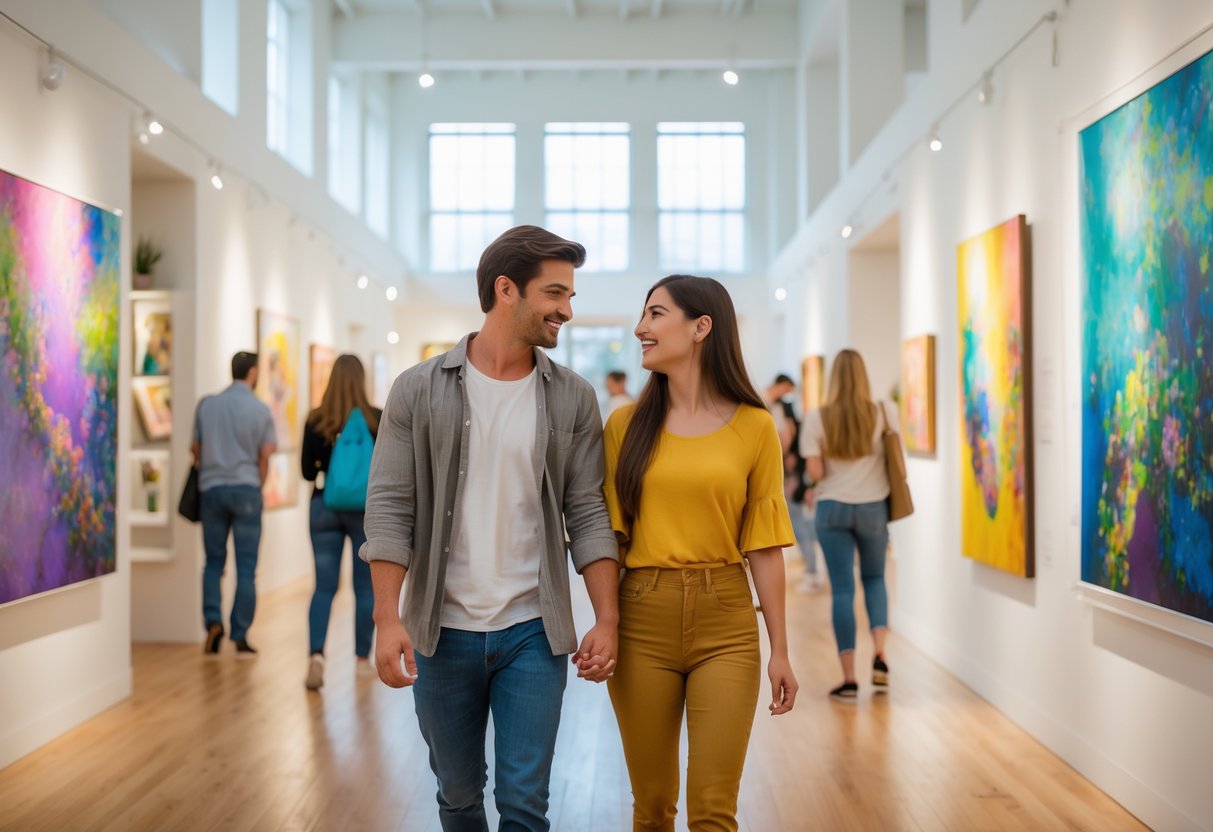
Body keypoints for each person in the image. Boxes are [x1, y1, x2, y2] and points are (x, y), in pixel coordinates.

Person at [361, 225, 620, 831]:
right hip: (440, 630)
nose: (567, 310)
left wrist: (605, 617)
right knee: (456, 794)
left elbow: (586, 511)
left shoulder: (573, 399)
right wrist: (385, 617)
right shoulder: (418, 390)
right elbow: (391, 509)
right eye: (555, 293)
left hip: (533, 630)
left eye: (570, 295)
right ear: (507, 289)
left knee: (526, 803)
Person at [603, 274, 798, 832]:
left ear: (701, 327)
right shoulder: (623, 426)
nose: (641, 328)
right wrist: (607, 622)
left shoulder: (755, 427)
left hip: (728, 623)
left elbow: (763, 545)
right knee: (653, 807)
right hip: (643, 616)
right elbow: (611, 540)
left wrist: (779, 648)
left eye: (656, 314)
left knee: (714, 812)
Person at [800, 348, 897, 701]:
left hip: (833, 508)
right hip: (873, 508)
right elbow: (894, 460)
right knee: (874, 579)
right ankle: (881, 659)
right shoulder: (886, 412)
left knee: (842, 590)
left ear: (833, 380)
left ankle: (849, 679)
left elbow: (815, 472)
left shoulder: (817, 418)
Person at [300, 354, 381, 690]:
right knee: (365, 588)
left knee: (323, 587)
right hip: (364, 511)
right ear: (361, 380)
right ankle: (362, 660)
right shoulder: (376, 419)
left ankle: (316, 655)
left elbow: (306, 471)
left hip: (323, 507)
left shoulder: (317, 419)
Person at [193, 351, 277, 656]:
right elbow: (265, 456)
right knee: (246, 567)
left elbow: (196, 448)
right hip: (246, 489)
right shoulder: (260, 410)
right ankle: (240, 634)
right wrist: (257, 485)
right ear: (252, 373)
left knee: (213, 562)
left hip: (212, 489)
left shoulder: (207, 405)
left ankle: (213, 621)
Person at [763, 373, 821, 592]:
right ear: (782, 385)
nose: (789, 395)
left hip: (784, 471)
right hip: (781, 470)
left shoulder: (775, 406)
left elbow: (785, 438)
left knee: (797, 520)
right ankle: (812, 570)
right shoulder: (767, 404)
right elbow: (785, 437)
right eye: (788, 389)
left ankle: (812, 570)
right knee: (797, 521)